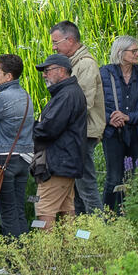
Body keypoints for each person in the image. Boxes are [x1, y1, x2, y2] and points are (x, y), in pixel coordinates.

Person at [0, 54, 35, 240]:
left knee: (7, 211)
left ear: (8, 76)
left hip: (4, 159)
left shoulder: (1, 98)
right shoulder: (26, 96)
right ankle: (23, 251)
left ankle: (13, 254)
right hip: (24, 158)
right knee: (18, 209)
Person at [50, 21, 104, 213]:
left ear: (71, 40)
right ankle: (82, 228)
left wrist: (56, 123)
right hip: (76, 132)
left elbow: (82, 104)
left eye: (56, 42)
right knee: (77, 189)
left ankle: (98, 227)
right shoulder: (73, 63)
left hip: (84, 132)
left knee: (86, 186)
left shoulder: (86, 64)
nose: (54, 47)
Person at [32, 53, 89, 231]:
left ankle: (46, 247)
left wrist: (30, 128)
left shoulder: (67, 95)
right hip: (66, 162)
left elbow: (49, 128)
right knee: (66, 208)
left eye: (47, 70)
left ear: (62, 71)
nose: (44, 75)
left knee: (43, 208)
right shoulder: (68, 92)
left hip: (58, 164)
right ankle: (71, 246)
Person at [100, 36, 138, 213]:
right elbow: (93, 104)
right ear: (120, 52)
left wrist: (128, 117)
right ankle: (108, 218)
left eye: (137, 50)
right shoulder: (104, 74)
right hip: (112, 134)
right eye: (134, 51)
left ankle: (125, 216)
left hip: (134, 134)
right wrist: (109, 118)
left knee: (129, 178)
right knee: (113, 178)